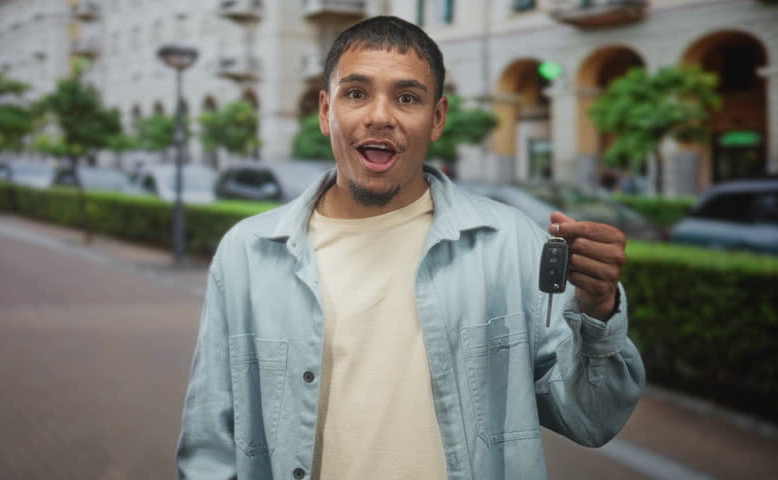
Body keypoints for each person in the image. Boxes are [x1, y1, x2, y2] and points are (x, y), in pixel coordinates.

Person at [176, 16, 644, 480]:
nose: (380, 116)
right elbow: (210, 446)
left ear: (437, 118)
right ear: (325, 111)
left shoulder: (511, 244)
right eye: (356, 93)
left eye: (407, 97)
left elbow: (594, 419)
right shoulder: (248, 253)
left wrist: (598, 309)